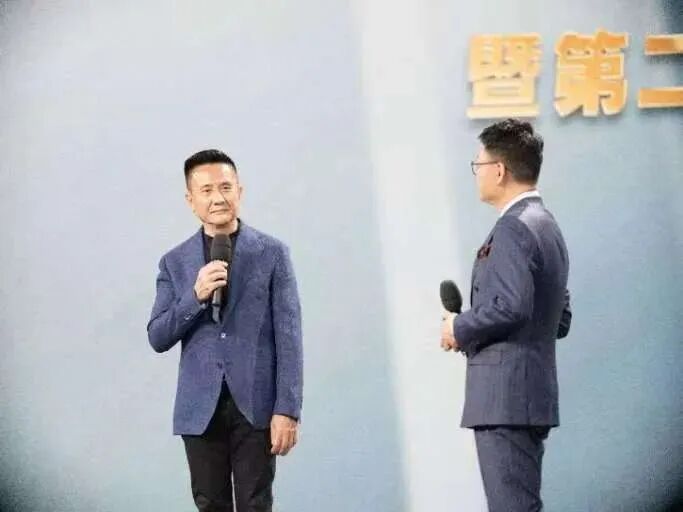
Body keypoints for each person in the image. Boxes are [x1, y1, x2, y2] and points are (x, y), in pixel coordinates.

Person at [147, 149, 303, 512]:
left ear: (240, 191)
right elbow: (157, 336)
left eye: (225, 187)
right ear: (190, 200)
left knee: (256, 504)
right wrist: (195, 296)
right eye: (206, 190)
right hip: (199, 410)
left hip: (256, 406)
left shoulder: (272, 253)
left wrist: (288, 410)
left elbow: (290, 338)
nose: (218, 197)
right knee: (210, 505)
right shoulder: (174, 262)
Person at [441, 119, 572, 512]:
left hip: (506, 399)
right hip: (528, 395)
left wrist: (459, 326)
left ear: (498, 171)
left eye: (478, 165)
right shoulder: (547, 226)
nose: (476, 174)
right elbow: (560, 318)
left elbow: (513, 306)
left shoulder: (514, 228)